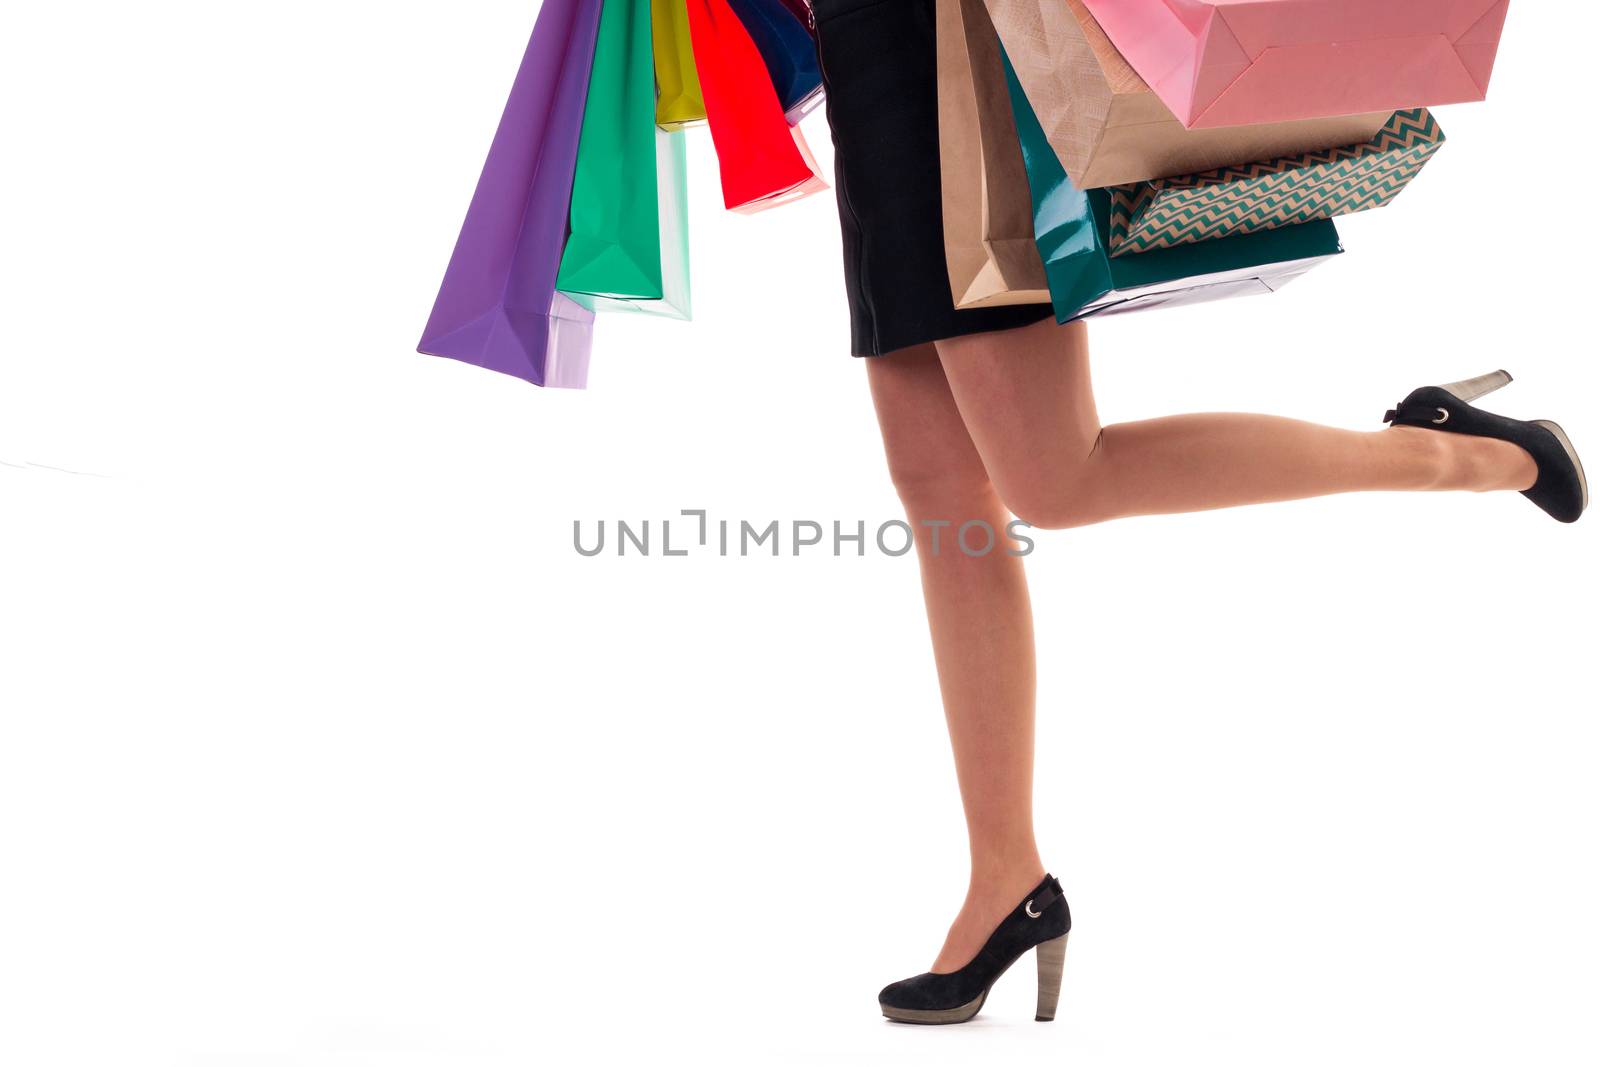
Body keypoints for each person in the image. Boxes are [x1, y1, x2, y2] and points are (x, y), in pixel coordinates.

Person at [809, 0, 1588, 1026]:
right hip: (868, 57)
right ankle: (1006, 878)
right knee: (943, 496)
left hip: (962, 53)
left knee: (1055, 477)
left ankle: (1467, 453)